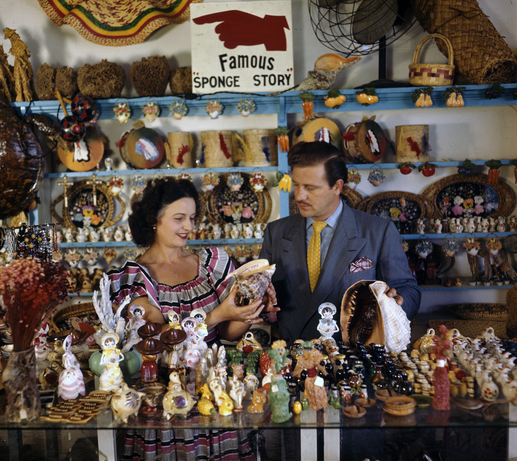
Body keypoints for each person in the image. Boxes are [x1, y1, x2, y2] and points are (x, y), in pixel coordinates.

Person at [108, 177, 276, 460]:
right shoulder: (133, 278)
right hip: (163, 403)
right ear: (154, 220)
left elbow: (230, 331)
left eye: (192, 217)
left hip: (212, 395)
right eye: (179, 218)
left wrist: (253, 307)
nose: (189, 227)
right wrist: (217, 314)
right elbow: (160, 339)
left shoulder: (211, 263)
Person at [260, 141, 421, 343]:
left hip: (354, 357)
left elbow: (409, 290)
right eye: (297, 185)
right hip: (294, 356)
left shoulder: (378, 231)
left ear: (337, 186)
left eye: (310, 188)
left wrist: (396, 302)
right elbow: (262, 293)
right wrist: (262, 301)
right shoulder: (277, 232)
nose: (299, 196)